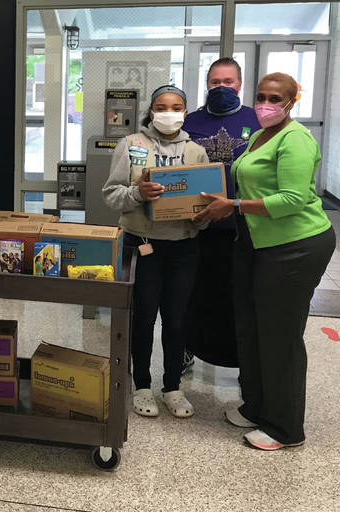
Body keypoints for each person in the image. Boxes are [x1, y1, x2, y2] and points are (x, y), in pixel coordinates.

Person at [195, 72, 335, 450]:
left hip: (295, 245)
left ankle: (284, 428)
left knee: (279, 336)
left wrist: (235, 206)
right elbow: (246, 180)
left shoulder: (296, 140)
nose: (265, 104)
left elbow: (292, 199)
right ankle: (256, 406)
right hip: (256, 243)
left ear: (292, 102)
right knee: (250, 328)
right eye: (261, 96)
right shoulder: (259, 135)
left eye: (275, 98)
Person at [102, 85, 209, 419]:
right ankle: (143, 385)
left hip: (184, 247)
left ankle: (173, 387)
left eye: (176, 107)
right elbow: (111, 195)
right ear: (151, 111)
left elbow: (206, 203)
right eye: (161, 107)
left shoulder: (196, 152)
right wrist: (137, 193)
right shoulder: (132, 144)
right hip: (142, 244)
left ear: (185, 112)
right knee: (144, 317)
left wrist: (201, 214)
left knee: (177, 319)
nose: (169, 113)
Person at [182, 58, 262, 371]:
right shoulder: (191, 121)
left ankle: (238, 357)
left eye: (228, 82)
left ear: (240, 84)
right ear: (206, 84)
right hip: (197, 226)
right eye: (215, 82)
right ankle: (186, 348)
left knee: (236, 295)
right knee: (193, 292)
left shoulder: (256, 121)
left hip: (242, 226)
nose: (222, 87)